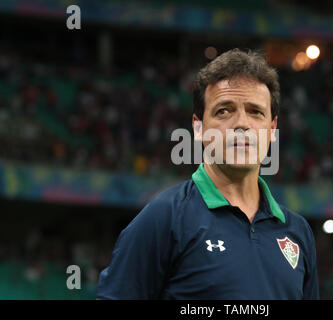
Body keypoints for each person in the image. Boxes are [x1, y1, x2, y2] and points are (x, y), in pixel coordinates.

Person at [96, 48, 319, 299]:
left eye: (255, 111)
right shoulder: (163, 218)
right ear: (198, 127)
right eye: (224, 110)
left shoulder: (298, 232)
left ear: (272, 129)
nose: (241, 124)